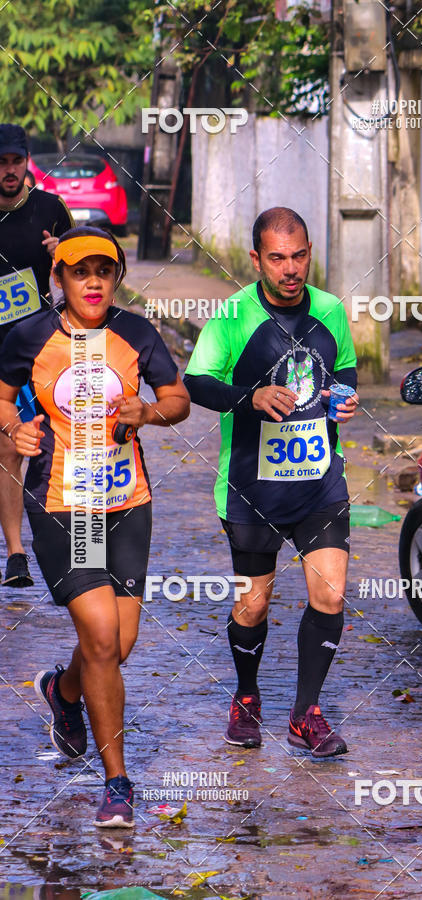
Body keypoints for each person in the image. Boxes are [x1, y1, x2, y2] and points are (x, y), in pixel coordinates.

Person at [0, 226, 190, 827]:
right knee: (103, 637)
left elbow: (178, 397)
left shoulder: (134, 333)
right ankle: (118, 783)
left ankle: (65, 692)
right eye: (80, 272)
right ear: (60, 279)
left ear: (116, 279)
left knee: (119, 645)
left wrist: (151, 412)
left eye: (103, 273)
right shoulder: (30, 336)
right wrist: (13, 429)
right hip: (66, 507)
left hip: (128, 503)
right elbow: (1, 398)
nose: (93, 283)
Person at [184, 207, 359, 759]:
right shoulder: (233, 315)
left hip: (318, 481)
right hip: (250, 489)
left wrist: (345, 399)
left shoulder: (330, 310)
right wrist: (250, 398)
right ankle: (246, 696)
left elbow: (346, 369)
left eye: (300, 255)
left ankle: (306, 712)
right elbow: (195, 382)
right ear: (257, 258)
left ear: (310, 252)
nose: (291, 269)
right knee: (252, 605)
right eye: (278, 258)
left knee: (329, 592)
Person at [0, 124, 73, 586]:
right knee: (8, 445)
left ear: (27, 160)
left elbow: (89, 268)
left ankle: (58, 538)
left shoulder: (49, 208)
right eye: (1, 162)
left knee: (40, 444)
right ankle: (15, 553)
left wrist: (61, 255)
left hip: (33, 347)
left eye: (15, 160)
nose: (9, 170)